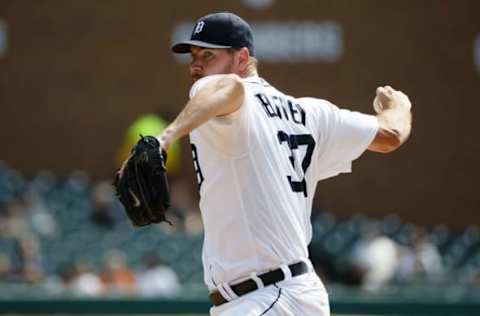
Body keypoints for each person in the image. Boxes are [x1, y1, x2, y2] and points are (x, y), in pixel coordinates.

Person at [159, 12, 412, 316]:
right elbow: (392, 134)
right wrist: (400, 106)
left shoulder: (217, 89)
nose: (196, 65)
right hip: (287, 294)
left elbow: (231, 89)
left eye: (208, 55)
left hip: (265, 296)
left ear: (242, 58)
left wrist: (166, 137)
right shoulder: (312, 114)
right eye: (194, 56)